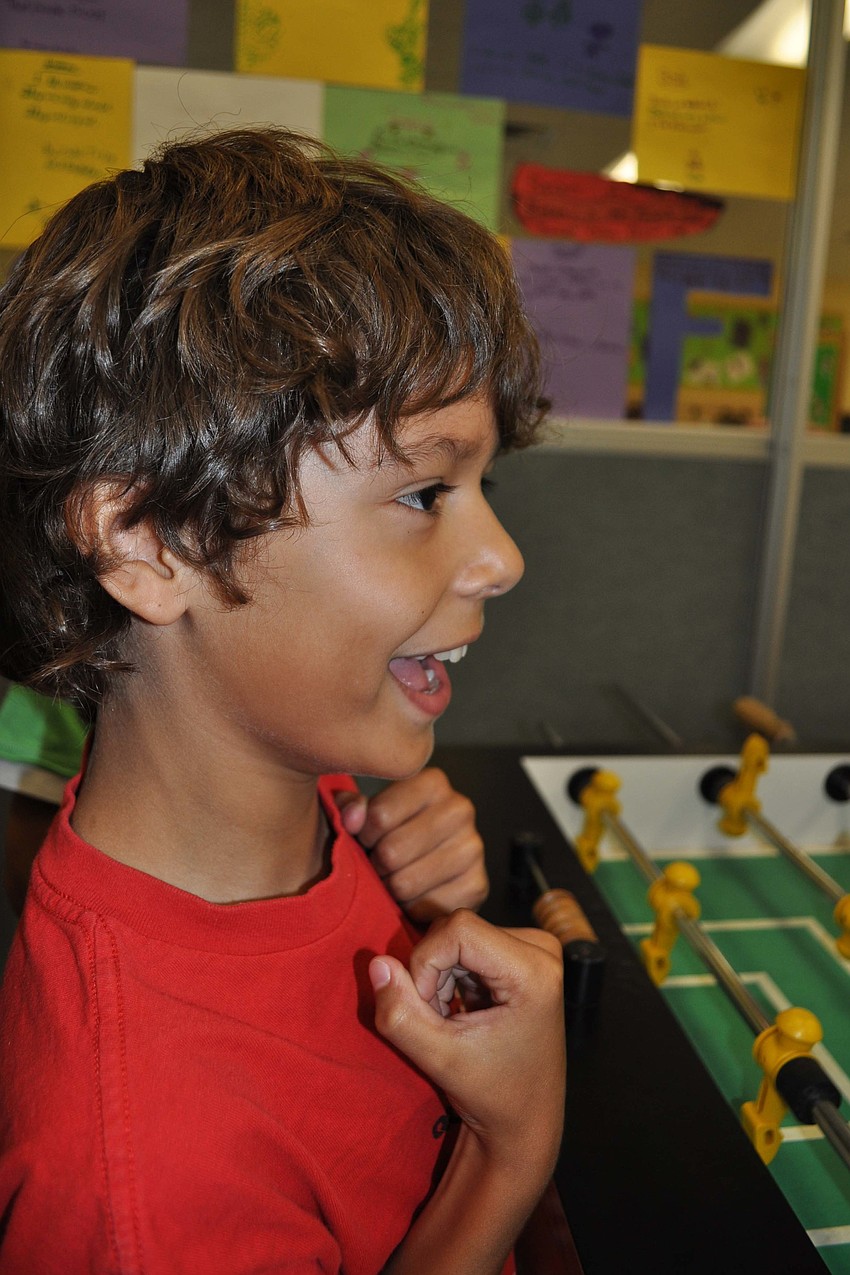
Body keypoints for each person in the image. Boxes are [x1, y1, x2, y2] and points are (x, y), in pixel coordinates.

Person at [0, 128, 566, 1274]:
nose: (502, 558)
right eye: (424, 493)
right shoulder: (141, 1186)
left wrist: (393, 869)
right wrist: (507, 1151)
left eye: (482, 485)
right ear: (149, 540)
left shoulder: (281, 797)